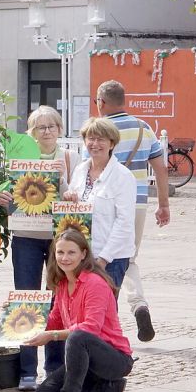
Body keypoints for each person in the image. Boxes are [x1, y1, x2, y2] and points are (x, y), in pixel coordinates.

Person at [0, 106, 82, 390]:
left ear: (59, 129)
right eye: (39, 127)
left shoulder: (70, 158)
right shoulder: (19, 159)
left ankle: (55, 368)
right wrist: (3, 195)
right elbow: (5, 191)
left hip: (60, 238)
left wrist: (65, 185)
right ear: (31, 133)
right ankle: (27, 370)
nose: (46, 131)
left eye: (51, 126)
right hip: (26, 234)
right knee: (27, 299)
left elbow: (77, 195)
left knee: (59, 300)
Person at [93, 80, 170, 342]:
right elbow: (161, 169)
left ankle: (105, 317)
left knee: (103, 256)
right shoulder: (143, 128)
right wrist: (163, 204)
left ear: (102, 102)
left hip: (103, 203)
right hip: (136, 202)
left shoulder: (98, 132)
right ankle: (138, 305)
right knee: (128, 257)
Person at [28, 230, 133, 392]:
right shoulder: (61, 284)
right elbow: (54, 320)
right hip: (84, 358)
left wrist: (52, 335)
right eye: (60, 253)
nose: (65, 258)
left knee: (78, 337)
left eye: (71, 252)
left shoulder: (95, 283)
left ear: (83, 254)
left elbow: (90, 328)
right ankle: (107, 387)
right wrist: (21, 314)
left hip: (114, 358)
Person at [64, 118, 135, 290]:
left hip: (112, 258)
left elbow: (124, 222)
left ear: (111, 144)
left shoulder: (122, 176)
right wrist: (69, 198)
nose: (95, 144)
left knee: (104, 308)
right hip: (82, 254)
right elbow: (74, 211)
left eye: (101, 139)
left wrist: (104, 259)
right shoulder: (80, 170)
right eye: (91, 138)